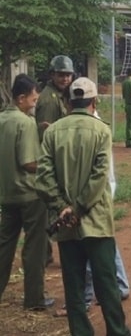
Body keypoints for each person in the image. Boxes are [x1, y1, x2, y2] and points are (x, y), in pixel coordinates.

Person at [36, 77, 131, 336]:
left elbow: (43, 178)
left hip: (66, 226)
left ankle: (81, 335)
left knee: (75, 287)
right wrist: (78, 208)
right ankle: (117, 332)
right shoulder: (102, 130)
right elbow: (100, 176)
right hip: (97, 223)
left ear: (68, 102)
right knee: (107, 284)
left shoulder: (53, 132)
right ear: (94, 101)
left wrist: (63, 208)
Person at [0, 74, 54, 311]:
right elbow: (29, 162)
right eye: (32, 100)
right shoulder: (25, 123)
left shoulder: (3, 119)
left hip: (7, 192)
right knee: (34, 248)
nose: (35, 104)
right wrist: (50, 165)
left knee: (4, 245)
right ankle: (34, 299)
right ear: (21, 98)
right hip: (30, 195)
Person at [35, 54, 75, 267]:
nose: (65, 79)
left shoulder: (60, 95)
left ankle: (47, 252)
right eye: (61, 75)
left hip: (57, 157)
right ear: (52, 75)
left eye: (68, 75)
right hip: (51, 159)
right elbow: (46, 137)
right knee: (53, 209)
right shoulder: (49, 99)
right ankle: (46, 253)